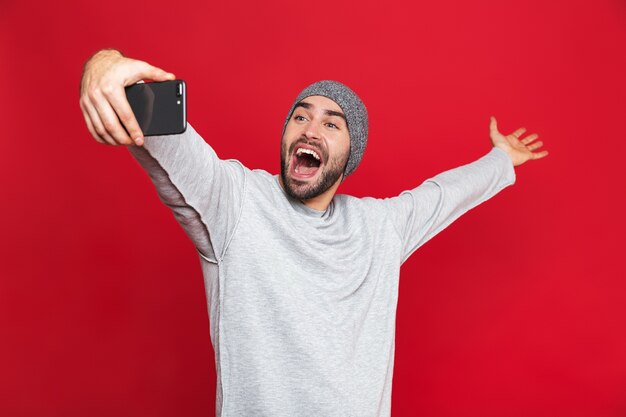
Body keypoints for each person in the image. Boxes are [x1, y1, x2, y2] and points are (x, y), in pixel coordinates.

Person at [79, 49, 548, 417]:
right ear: (286, 137)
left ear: (351, 153)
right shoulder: (237, 203)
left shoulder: (379, 227)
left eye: (331, 123)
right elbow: (162, 131)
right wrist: (106, 66)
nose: (310, 130)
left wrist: (501, 159)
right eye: (300, 117)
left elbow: (445, 194)